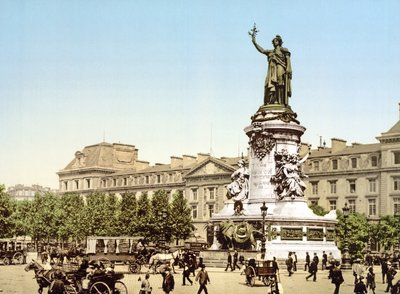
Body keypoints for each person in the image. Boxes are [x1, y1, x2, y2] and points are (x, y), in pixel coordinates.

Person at [250, 26, 292, 106]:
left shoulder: (284, 50)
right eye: (273, 42)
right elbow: (262, 50)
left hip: (281, 67)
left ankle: (281, 102)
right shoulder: (271, 52)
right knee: (270, 84)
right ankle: (272, 101)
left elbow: (288, 60)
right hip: (272, 71)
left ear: (279, 42)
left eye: (275, 41)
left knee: (280, 83)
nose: (273, 42)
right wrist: (254, 42)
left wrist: (289, 69)